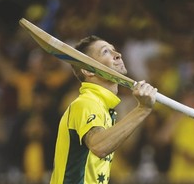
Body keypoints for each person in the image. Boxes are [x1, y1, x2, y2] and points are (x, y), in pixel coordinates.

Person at [50, 35, 158, 184]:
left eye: (114, 50)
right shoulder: (86, 103)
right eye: (106, 52)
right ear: (88, 71)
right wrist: (142, 109)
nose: (118, 55)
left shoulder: (104, 108)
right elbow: (99, 146)